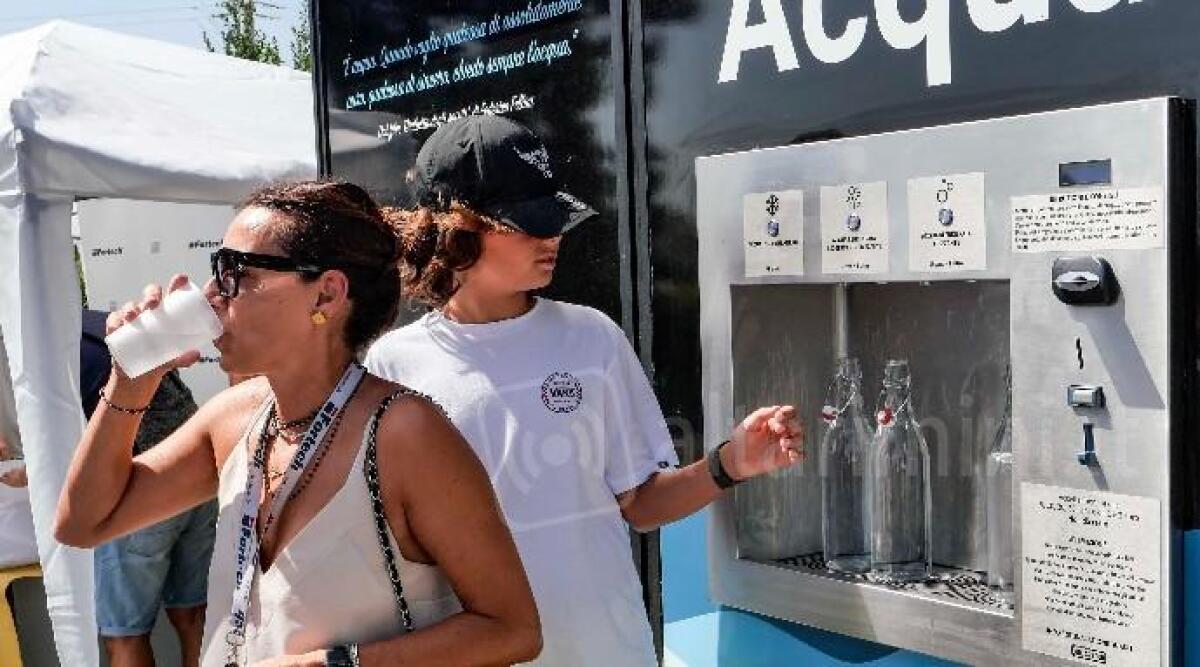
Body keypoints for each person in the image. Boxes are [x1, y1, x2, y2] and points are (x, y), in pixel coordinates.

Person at [368, 114, 803, 666]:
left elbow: (640, 504)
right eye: (526, 222)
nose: (552, 237)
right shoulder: (394, 365)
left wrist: (729, 463)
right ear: (454, 228)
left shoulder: (590, 336)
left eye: (553, 218)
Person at [56, 181, 541, 667]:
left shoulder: (404, 433)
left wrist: (333, 663)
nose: (211, 295)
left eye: (235, 273)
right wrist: (129, 383)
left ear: (327, 295)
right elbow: (84, 524)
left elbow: (512, 630)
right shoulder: (237, 418)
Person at [3, 312, 216, 667]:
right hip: (197, 473)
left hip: (140, 485)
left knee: (125, 633)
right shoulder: (93, 322)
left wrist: (28, 474)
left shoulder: (47, 357)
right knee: (194, 615)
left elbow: (73, 447)